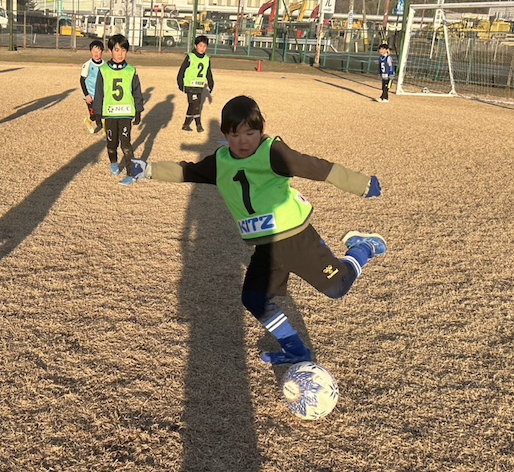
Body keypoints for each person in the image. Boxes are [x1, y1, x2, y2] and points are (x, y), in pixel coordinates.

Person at [130, 95, 385, 365]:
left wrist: (362, 184)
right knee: (254, 298)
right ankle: (296, 351)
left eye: (250, 133)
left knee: (337, 289)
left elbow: (317, 168)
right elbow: (187, 172)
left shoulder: (272, 153)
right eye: (234, 134)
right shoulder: (220, 162)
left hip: (297, 239)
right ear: (225, 135)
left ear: (262, 128)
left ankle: (363, 248)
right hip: (266, 246)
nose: (243, 141)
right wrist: (148, 170)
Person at [92, 33, 144, 187]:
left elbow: (137, 91)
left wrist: (138, 110)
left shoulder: (131, 71)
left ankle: (130, 174)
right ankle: (113, 161)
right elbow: (99, 93)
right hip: (110, 114)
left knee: (126, 144)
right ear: (109, 51)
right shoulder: (103, 70)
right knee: (111, 143)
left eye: (123, 50)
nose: (120, 53)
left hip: (125, 113)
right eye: (116, 50)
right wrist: (97, 112)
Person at [177, 34, 215, 132]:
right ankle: (198, 125)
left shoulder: (206, 59)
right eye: (200, 46)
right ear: (195, 46)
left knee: (192, 105)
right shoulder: (190, 57)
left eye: (205, 46)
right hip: (190, 85)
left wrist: (211, 83)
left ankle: (185, 125)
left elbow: (208, 72)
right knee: (196, 104)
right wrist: (180, 83)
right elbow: (182, 70)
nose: (202, 48)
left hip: (199, 86)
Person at [79, 40, 105, 134]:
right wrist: (87, 95)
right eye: (94, 51)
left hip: (101, 95)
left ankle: (105, 132)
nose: (96, 53)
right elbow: (82, 80)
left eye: (98, 51)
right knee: (94, 115)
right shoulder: (87, 65)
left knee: (103, 114)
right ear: (90, 52)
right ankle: (88, 120)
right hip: (90, 95)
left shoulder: (105, 65)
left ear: (102, 52)